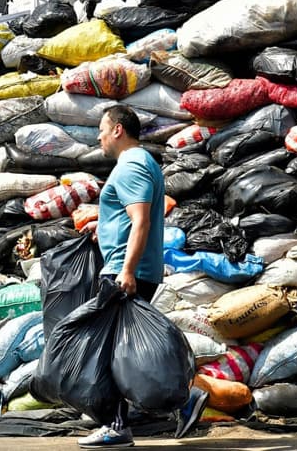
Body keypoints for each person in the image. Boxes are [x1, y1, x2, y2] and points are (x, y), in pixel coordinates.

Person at [77, 105, 209, 449]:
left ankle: (125, 424)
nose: (99, 136)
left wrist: (127, 270)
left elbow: (141, 221)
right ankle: (180, 401)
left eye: (102, 129)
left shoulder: (132, 164)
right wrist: (101, 226)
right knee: (123, 350)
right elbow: (131, 216)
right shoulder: (140, 163)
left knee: (111, 352)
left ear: (118, 130)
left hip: (125, 270)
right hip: (130, 266)